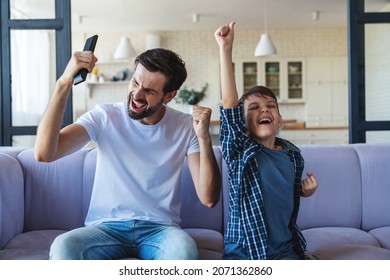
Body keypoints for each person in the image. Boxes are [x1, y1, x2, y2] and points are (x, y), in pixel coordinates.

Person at [34, 47, 221, 260]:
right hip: (105, 229)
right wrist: (64, 83)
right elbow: (44, 154)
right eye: (135, 82)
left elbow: (208, 198)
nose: (137, 95)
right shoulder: (104, 116)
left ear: (169, 96)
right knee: (63, 246)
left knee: (184, 251)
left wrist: (204, 137)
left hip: (160, 231)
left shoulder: (186, 126)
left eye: (149, 91)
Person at [214, 22, 318, 260]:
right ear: (242, 122)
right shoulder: (240, 150)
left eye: (271, 106)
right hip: (245, 250)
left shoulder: (292, 155)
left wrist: (304, 192)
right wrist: (225, 49)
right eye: (254, 107)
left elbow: (281, 192)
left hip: (286, 249)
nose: (264, 110)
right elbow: (230, 104)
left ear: (279, 119)